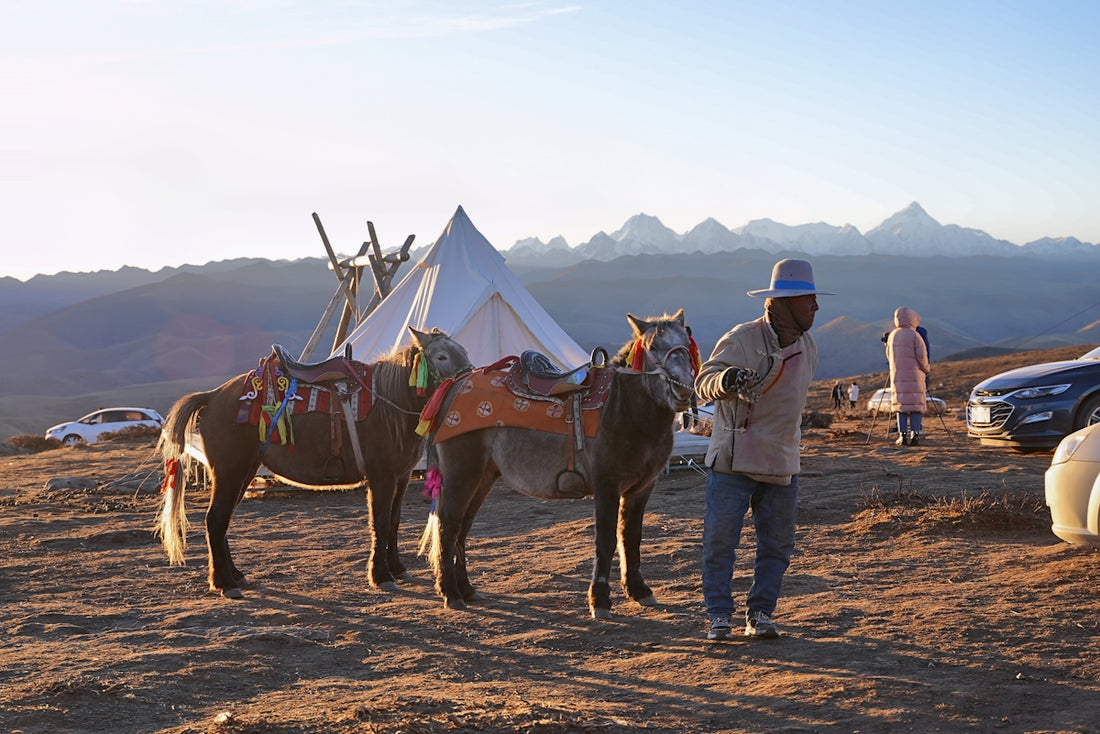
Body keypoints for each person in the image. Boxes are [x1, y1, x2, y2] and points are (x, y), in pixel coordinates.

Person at [695, 258, 833, 641]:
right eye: (809, 300)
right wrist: (726, 379)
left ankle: (760, 615)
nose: (816, 307)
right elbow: (703, 382)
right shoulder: (741, 338)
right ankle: (719, 615)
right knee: (721, 542)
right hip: (733, 463)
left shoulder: (809, 347)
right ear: (783, 303)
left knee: (777, 546)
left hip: (782, 461)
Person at [885, 306, 931, 446]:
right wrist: (926, 369)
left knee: (901, 406)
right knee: (915, 405)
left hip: (897, 376)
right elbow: (922, 356)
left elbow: (888, 355)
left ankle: (902, 435)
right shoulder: (915, 335)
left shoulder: (892, 335)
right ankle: (915, 435)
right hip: (915, 376)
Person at [682, 326, 703, 430]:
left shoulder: (687, 343)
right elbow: (697, 360)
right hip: (692, 372)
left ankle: (686, 424)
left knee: (685, 398)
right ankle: (695, 423)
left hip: (686, 373)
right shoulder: (693, 343)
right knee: (692, 399)